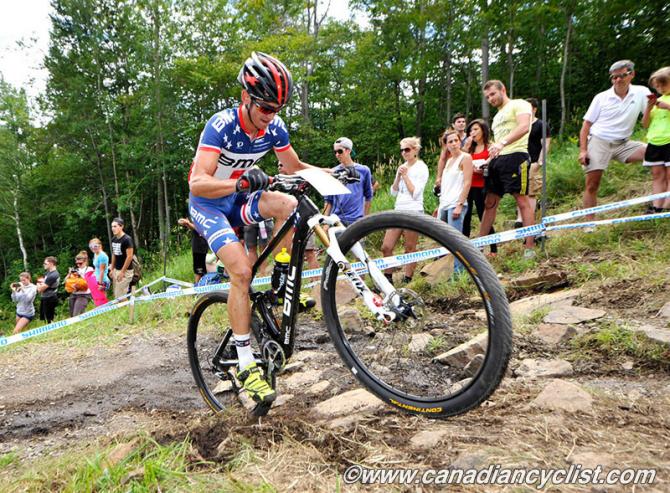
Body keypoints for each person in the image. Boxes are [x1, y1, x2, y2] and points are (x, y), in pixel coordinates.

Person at [188, 52, 325, 405]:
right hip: (210, 205)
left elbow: (293, 166)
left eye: (277, 109)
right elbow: (198, 183)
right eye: (265, 107)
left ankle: (282, 269)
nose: (270, 116)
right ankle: (246, 363)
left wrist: (330, 175)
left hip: (241, 196)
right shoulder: (220, 125)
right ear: (246, 98)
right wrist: (238, 184)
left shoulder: (274, 127)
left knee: (289, 205)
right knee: (242, 271)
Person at [579, 60, 650, 220]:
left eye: (622, 76)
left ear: (632, 74)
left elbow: (647, 121)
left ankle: (659, 203)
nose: (618, 80)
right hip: (599, 141)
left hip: (624, 142)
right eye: (614, 77)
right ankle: (589, 224)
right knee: (592, 184)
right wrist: (583, 150)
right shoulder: (601, 97)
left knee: (657, 153)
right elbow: (586, 125)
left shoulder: (642, 92)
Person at [478, 80, 535, 257]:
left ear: (503, 90)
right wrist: (487, 160)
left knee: (522, 201)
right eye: (487, 97)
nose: (490, 99)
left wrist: (502, 143)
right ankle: (478, 248)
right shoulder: (496, 117)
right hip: (497, 160)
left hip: (516, 156)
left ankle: (529, 248)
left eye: (493, 94)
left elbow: (524, 126)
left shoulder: (519, 104)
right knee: (489, 203)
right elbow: (497, 144)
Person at [381, 137, 429, 283]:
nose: (404, 152)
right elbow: (394, 192)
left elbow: (415, 193)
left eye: (407, 149)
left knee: (410, 247)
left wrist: (406, 176)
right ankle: (388, 277)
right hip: (399, 209)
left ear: (415, 149)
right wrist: (398, 176)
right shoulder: (402, 166)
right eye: (402, 150)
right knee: (386, 246)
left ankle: (407, 278)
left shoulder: (421, 167)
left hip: (413, 210)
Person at [437, 129, 473, 273]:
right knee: (444, 239)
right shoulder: (449, 161)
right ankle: (448, 269)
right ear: (446, 145)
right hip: (445, 203)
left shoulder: (465, 158)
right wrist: (439, 206)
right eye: (450, 141)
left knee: (456, 240)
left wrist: (459, 205)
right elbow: (447, 186)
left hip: (456, 204)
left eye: (456, 140)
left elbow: (467, 183)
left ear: (460, 141)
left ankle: (460, 272)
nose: (453, 144)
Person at [514, 98, 552, 227]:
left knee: (531, 192)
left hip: (534, 162)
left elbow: (545, 145)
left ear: (534, 109)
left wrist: (540, 162)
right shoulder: (519, 125)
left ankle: (529, 221)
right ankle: (519, 219)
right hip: (519, 162)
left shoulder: (541, 125)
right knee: (519, 191)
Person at [463, 119, 497, 255]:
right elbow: (460, 163)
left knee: (483, 215)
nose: (473, 132)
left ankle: (493, 248)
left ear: (483, 130)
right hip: (468, 185)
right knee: (466, 216)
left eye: (476, 129)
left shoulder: (490, 146)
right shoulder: (469, 149)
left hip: (483, 185)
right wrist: (465, 148)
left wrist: (483, 169)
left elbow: (494, 165)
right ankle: (465, 249)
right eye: (471, 130)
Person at [324, 137, 373, 226]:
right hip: (336, 220)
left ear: (348, 150)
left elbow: (368, 197)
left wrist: (364, 221)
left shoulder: (364, 170)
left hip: (356, 221)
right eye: (335, 152)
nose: (337, 155)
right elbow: (328, 201)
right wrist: (325, 225)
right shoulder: (333, 172)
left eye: (340, 151)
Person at [642, 66, 670, 213]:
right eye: (657, 86)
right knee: (657, 175)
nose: (660, 89)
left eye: (663, 84)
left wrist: (667, 107)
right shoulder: (657, 101)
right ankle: (656, 206)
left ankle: (667, 205)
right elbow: (645, 124)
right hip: (654, 142)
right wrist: (648, 108)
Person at [178, 217, 210, 283]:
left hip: (204, 247)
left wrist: (188, 223)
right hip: (197, 248)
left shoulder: (206, 219)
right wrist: (186, 223)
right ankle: (197, 288)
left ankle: (203, 286)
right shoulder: (195, 217)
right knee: (198, 270)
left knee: (203, 270)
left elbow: (199, 229)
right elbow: (180, 221)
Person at [109, 217, 135, 299]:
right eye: (112, 226)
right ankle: (125, 309)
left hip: (126, 271)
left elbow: (129, 257)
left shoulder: (127, 239)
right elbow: (114, 254)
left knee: (120, 297)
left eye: (115, 226)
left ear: (121, 227)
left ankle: (129, 310)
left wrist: (122, 272)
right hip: (116, 270)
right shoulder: (114, 239)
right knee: (117, 296)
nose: (113, 228)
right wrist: (112, 269)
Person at [65, 251, 94, 316]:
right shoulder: (76, 270)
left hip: (84, 295)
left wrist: (79, 275)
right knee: (72, 315)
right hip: (74, 294)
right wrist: (69, 273)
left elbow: (89, 282)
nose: (78, 265)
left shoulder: (89, 269)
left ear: (85, 261)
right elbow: (65, 281)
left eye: (80, 263)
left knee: (76, 315)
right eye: (77, 264)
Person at [37, 256, 60, 323]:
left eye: (45, 263)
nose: (44, 265)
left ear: (51, 263)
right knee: (44, 318)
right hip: (45, 297)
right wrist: (39, 284)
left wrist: (38, 285)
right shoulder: (47, 273)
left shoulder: (53, 275)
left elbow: (40, 289)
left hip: (50, 298)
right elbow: (40, 282)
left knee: (49, 318)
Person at [88, 238, 110, 306]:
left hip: (103, 280)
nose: (93, 248)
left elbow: (102, 270)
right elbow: (96, 268)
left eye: (95, 246)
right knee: (98, 300)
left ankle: (107, 313)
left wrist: (100, 283)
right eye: (91, 246)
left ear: (100, 245)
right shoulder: (96, 254)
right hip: (97, 279)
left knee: (103, 300)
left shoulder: (102, 256)